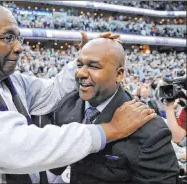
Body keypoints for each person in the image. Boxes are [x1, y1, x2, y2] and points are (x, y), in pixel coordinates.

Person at [0, 4, 156, 183]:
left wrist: (84, 59)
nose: (19, 46)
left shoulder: (14, 82)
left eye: (18, 38)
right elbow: (13, 147)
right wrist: (108, 130)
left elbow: (53, 92)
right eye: (7, 37)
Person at [49, 38, 179, 184]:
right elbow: (55, 165)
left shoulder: (149, 128)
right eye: (79, 65)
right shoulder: (67, 105)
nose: (80, 73)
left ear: (119, 74)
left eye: (94, 66)